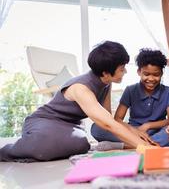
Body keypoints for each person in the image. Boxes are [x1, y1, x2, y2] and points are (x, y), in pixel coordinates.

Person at [0, 41, 156, 162]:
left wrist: (135, 132)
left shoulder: (106, 83)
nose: (125, 71)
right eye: (122, 68)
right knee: (44, 148)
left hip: (70, 126)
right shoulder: (80, 88)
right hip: (44, 121)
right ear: (106, 72)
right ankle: (7, 150)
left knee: (81, 145)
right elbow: (108, 124)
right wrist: (147, 149)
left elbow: (108, 118)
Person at [91, 49, 169, 147]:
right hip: (132, 132)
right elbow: (118, 119)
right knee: (97, 128)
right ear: (139, 72)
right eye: (146, 74)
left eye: (156, 75)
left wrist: (148, 126)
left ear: (161, 73)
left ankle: (127, 145)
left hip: (157, 132)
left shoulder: (168, 91)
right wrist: (135, 131)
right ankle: (144, 144)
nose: (151, 79)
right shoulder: (130, 90)